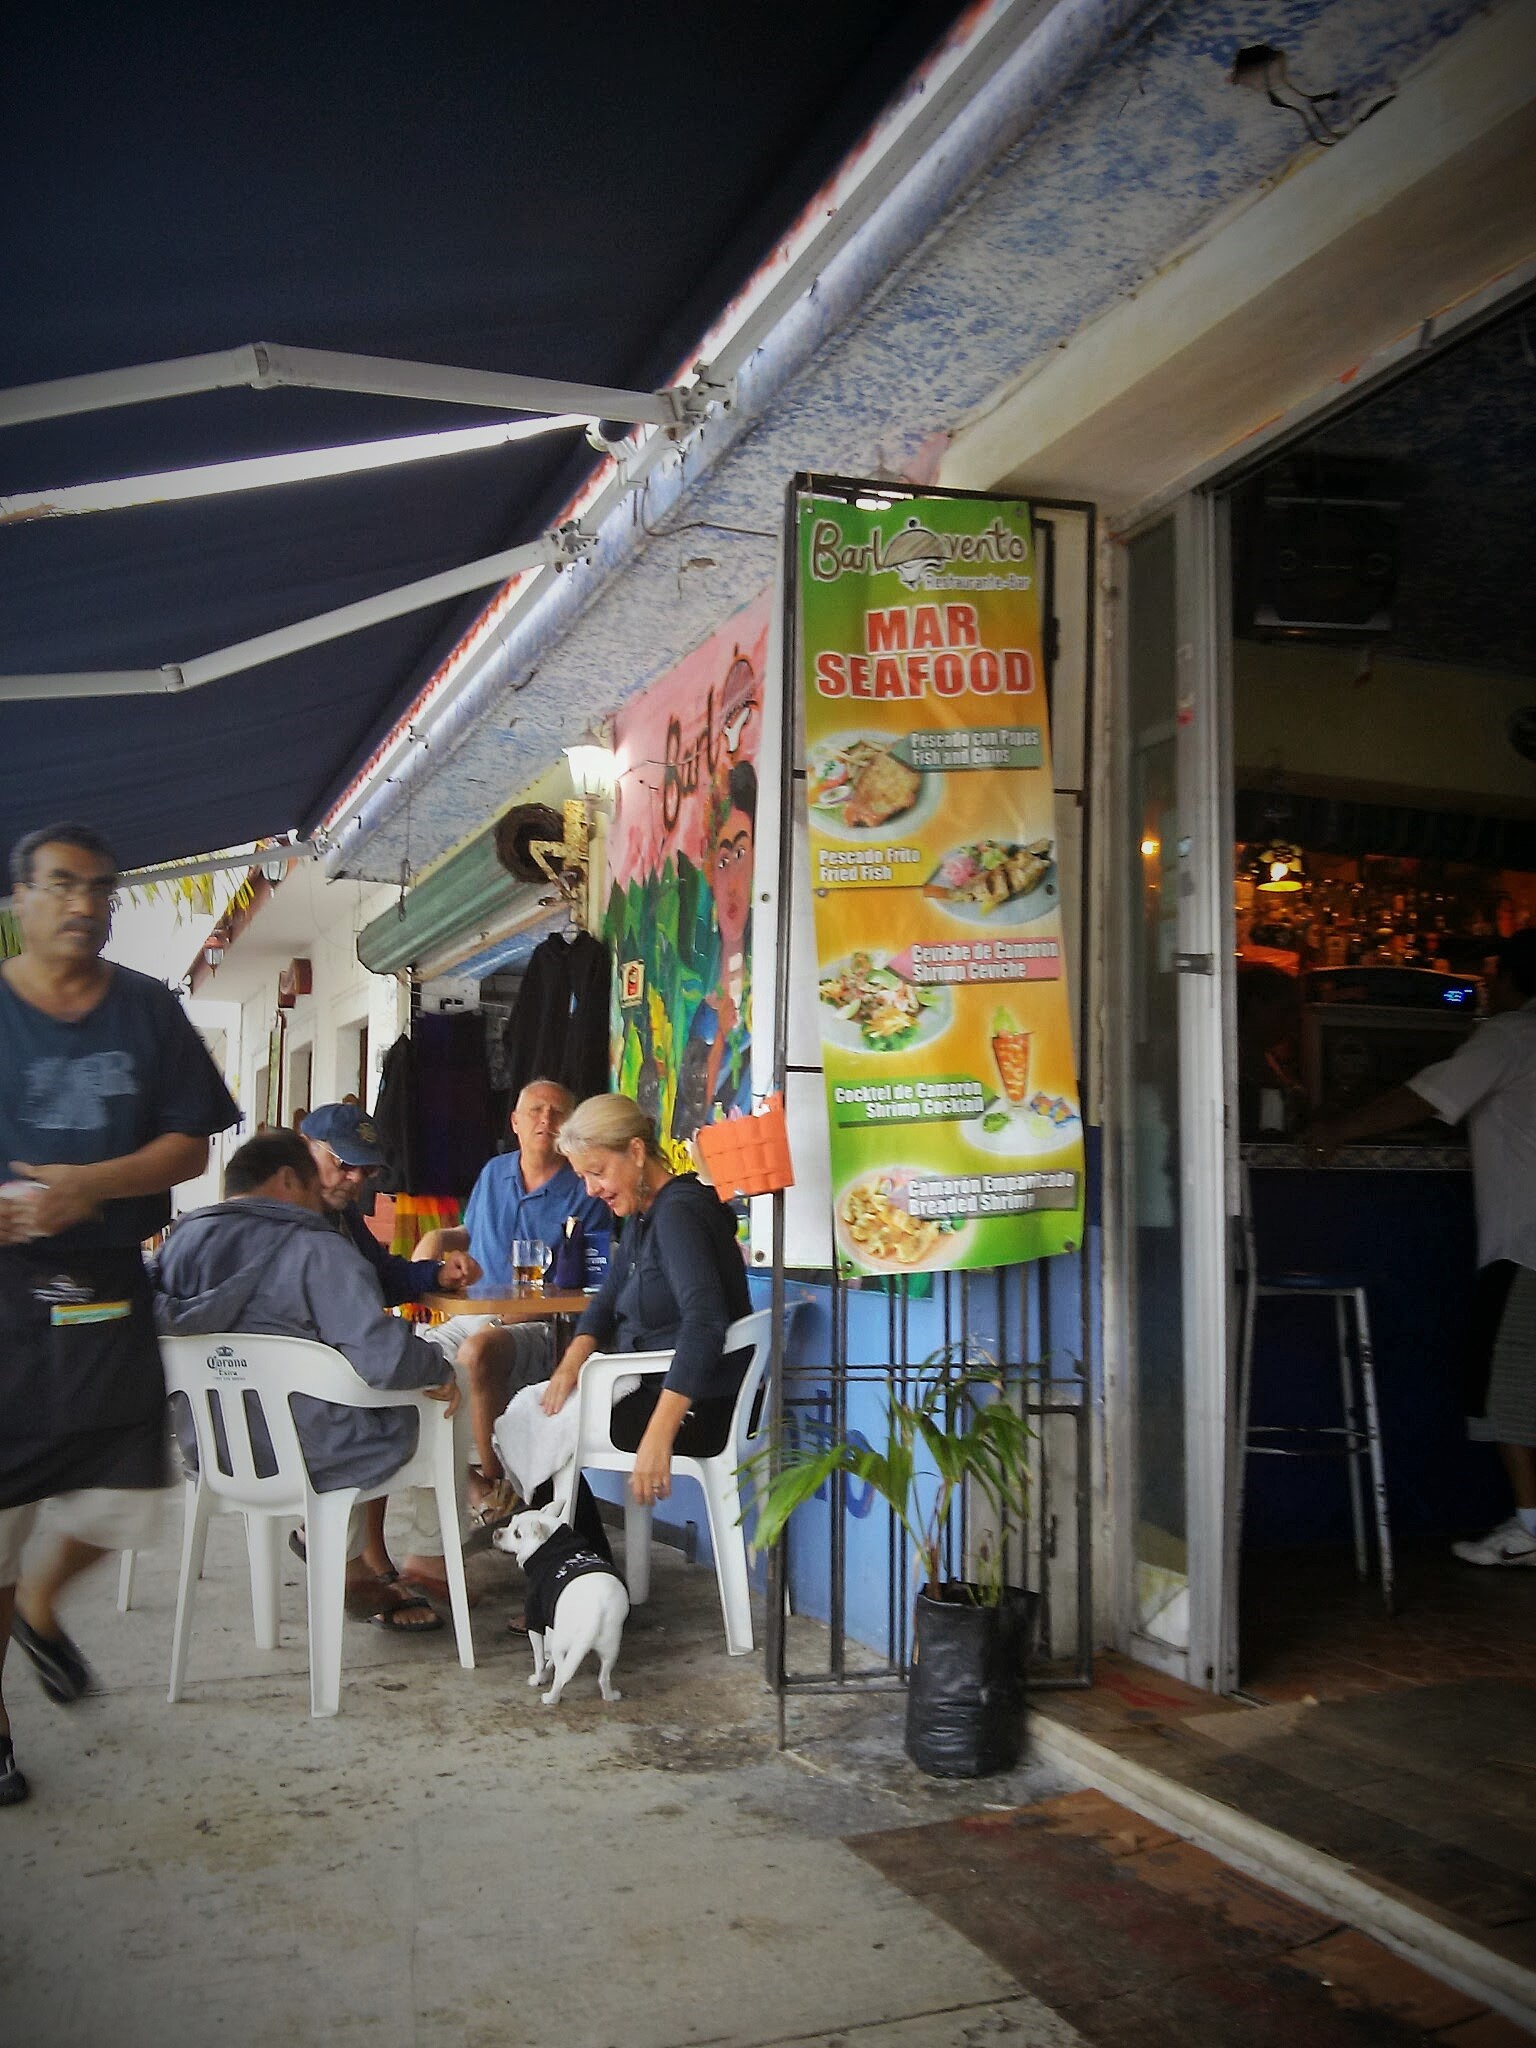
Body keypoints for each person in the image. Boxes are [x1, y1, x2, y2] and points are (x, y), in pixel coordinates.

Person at [0, 822, 240, 1808]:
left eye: (101, 888)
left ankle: (41, 1600)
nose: (83, 903)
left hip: (105, 1285)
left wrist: (87, 1187)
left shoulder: (145, 1008)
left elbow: (191, 1143)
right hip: (2, 1293)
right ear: (20, 896)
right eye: (62, 884)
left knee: (128, 1494)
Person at [152, 1129, 463, 1630]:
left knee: (344, 1395)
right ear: (287, 1180)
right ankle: (428, 1557)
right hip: (316, 1455)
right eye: (314, 1187)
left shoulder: (179, 1244)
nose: (321, 1200)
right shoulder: (318, 1248)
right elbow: (383, 1360)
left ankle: (347, 1562)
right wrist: (438, 1367)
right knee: (440, 1392)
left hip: (213, 1451)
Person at [1310, 929, 1536, 1567]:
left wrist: (1339, 1127)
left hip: (1525, 1246)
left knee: (1504, 1389)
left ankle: (1531, 1529)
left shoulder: (1510, 1036)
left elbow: (1425, 1097)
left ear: (1508, 978)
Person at [537, 1093, 751, 1510]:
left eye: (597, 1172)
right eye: (583, 1177)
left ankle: (571, 1552)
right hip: (669, 1390)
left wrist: (658, 1434)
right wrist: (569, 1366)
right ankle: (576, 1549)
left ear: (636, 1152)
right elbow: (606, 1301)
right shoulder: (643, 1215)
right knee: (542, 1413)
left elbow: (705, 1323)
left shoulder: (677, 1216)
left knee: (539, 1431)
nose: (591, 1190)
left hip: (703, 1407)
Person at [414, 1079, 609, 1519]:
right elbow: (470, 1231)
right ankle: (476, 1488)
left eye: (557, 1112)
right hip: (473, 1313)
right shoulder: (493, 1172)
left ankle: (500, 1482)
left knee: (478, 1351)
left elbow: (592, 1281)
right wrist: (438, 1238)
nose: (546, 1119)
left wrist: (511, 1314)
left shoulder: (586, 1186)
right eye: (536, 1110)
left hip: (545, 1324)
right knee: (408, 1361)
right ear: (515, 1122)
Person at [300, 1102, 480, 1306]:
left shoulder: (343, 1212)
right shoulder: (284, 1226)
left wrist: (439, 1274)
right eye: (345, 1163)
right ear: (305, 1150)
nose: (356, 1178)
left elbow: (382, 1275)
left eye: (368, 1170)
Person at [674, 761, 755, 1139]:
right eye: (723, 861)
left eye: (741, 855)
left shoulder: (766, 994)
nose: (732, 880)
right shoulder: (696, 993)